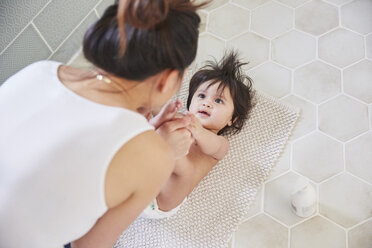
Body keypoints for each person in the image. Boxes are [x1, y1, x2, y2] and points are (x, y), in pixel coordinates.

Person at [0, 0, 205, 247]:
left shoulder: (39, 71)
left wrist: (145, 136)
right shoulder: (155, 156)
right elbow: (88, 245)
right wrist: (159, 151)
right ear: (168, 78)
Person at [141, 51, 255, 219]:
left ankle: (170, 152)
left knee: (186, 171)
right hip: (140, 177)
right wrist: (158, 109)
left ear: (232, 119)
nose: (206, 102)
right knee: (146, 112)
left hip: (163, 199)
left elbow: (214, 146)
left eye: (218, 101)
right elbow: (157, 107)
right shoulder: (180, 118)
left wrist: (198, 131)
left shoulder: (220, 143)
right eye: (201, 95)